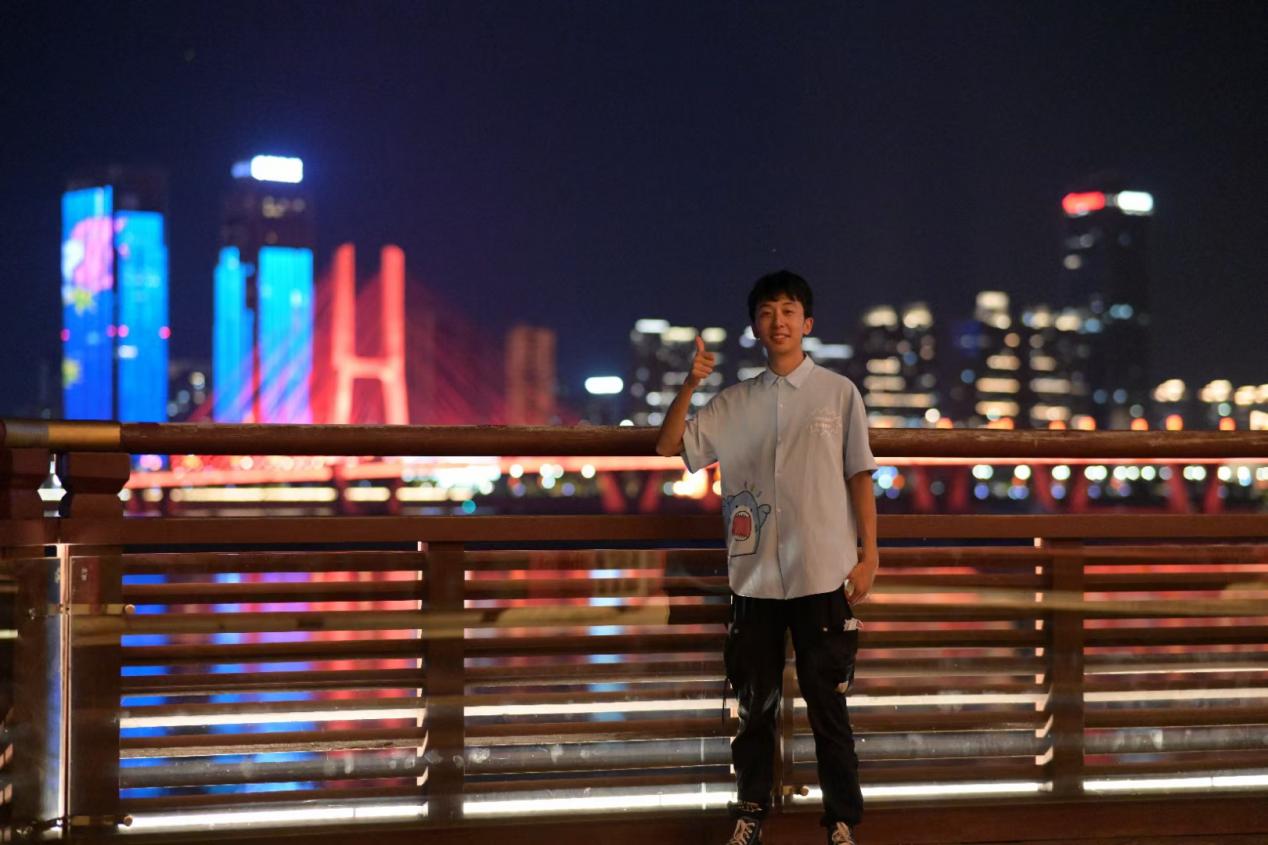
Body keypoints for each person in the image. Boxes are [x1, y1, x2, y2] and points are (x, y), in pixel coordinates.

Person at [655, 270, 879, 845]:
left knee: (829, 708)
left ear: (807, 323)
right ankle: (751, 813)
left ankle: (841, 822)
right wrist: (691, 383)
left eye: (788, 311)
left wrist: (870, 554)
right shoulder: (734, 402)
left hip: (824, 571)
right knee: (753, 707)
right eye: (766, 312)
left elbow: (860, 475)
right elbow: (669, 445)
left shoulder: (839, 393)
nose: (777, 321)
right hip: (753, 578)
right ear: (755, 327)